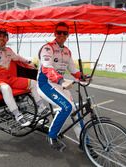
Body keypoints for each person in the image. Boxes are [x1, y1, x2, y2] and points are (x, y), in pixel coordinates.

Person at [0, 28, 49, 127]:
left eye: (4, 36)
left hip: (11, 78)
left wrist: (28, 62)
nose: (1, 38)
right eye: (0, 36)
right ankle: (18, 115)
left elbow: (18, 57)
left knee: (33, 83)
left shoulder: (9, 50)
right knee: (6, 88)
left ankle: (41, 107)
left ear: (7, 39)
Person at [37, 22, 88, 151]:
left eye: (64, 33)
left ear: (67, 35)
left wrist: (81, 76)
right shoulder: (47, 48)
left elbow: (72, 69)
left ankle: (84, 142)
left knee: (75, 110)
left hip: (60, 84)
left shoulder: (67, 51)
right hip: (46, 84)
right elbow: (47, 68)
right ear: (55, 33)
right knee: (66, 107)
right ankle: (52, 136)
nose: (61, 35)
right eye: (59, 32)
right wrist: (60, 80)